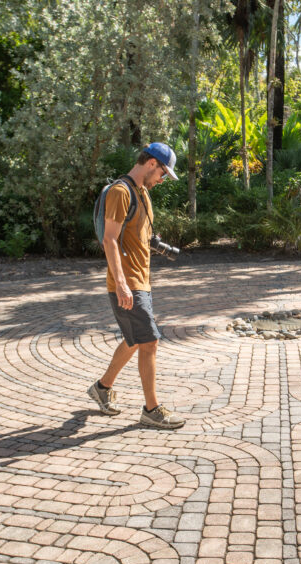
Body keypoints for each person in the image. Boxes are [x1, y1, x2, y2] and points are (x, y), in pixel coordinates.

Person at [88, 142, 185, 429]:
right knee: (149, 341)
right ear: (152, 163)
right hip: (127, 282)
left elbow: (137, 235)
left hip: (141, 280)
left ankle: (102, 388)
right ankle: (151, 410)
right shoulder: (121, 192)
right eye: (163, 173)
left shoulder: (142, 193)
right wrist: (121, 283)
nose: (162, 180)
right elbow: (110, 239)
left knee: (135, 341)